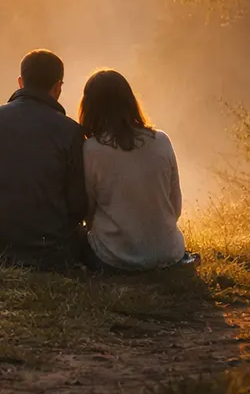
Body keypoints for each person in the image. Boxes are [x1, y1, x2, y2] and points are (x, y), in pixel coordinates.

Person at [0, 49, 88, 270]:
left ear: (21, 82)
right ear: (58, 87)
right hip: (50, 254)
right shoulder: (72, 132)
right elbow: (78, 205)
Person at [78, 69, 186, 272]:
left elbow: (88, 212)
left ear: (89, 107)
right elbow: (175, 206)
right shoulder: (162, 140)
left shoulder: (91, 149)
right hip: (170, 253)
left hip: (115, 258)